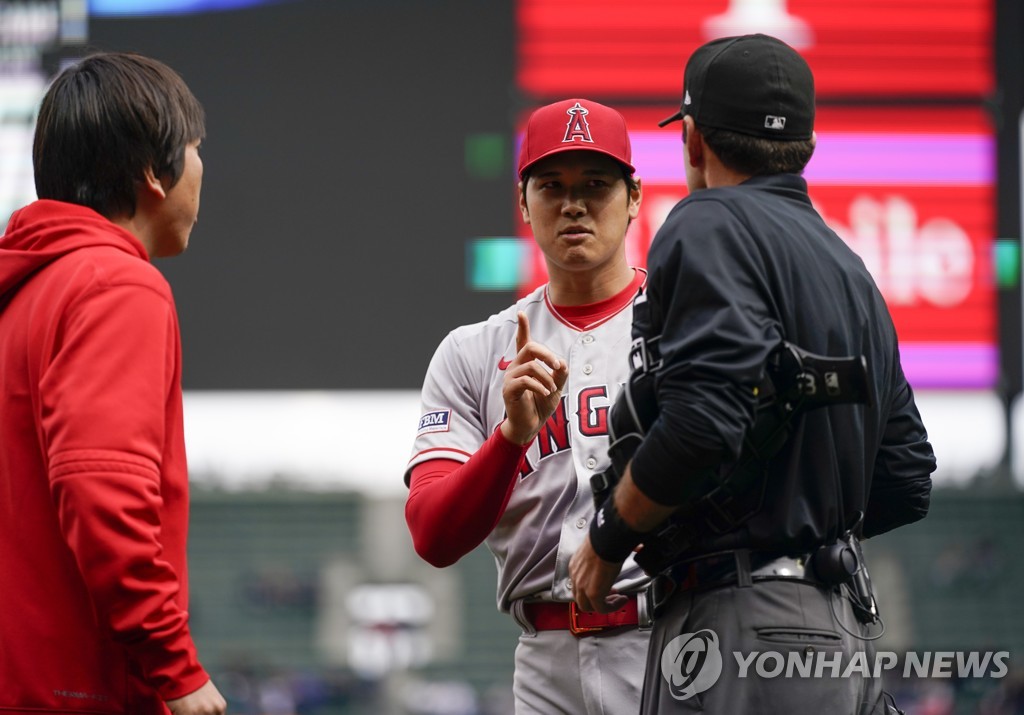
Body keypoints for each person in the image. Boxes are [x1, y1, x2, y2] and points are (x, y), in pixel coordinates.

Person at [569, 34, 936, 714]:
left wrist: (609, 537)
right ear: (805, 145)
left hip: (739, 627)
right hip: (841, 635)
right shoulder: (851, 268)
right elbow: (907, 478)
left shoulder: (706, 221)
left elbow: (703, 425)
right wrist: (798, 523)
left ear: (695, 141)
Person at [404, 98, 652, 714]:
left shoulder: (683, 326)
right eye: (552, 186)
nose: (574, 204)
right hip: (545, 657)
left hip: (671, 639)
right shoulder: (473, 351)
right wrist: (510, 438)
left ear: (634, 196)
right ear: (523, 202)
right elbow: (433, 535)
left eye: (596, 184)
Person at [0, 53, 226, 715]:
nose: (203, 167)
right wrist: (176, 669)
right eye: (194, 148)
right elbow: (100, 487)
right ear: (156, 174)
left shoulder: (23, 294)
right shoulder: (116, 283)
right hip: (83, 690)